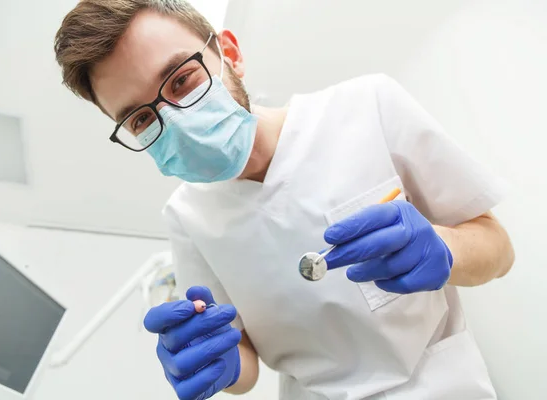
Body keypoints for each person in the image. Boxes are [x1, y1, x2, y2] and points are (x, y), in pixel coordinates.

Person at [54, 1, 515, 399]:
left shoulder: (366, 106)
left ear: (229, 55)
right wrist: (216, 361)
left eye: (181, 81)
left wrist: (444, 248)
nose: (175, 120)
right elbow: (243, 357)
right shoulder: (186, 217)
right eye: (139, 119)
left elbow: (498, 248)